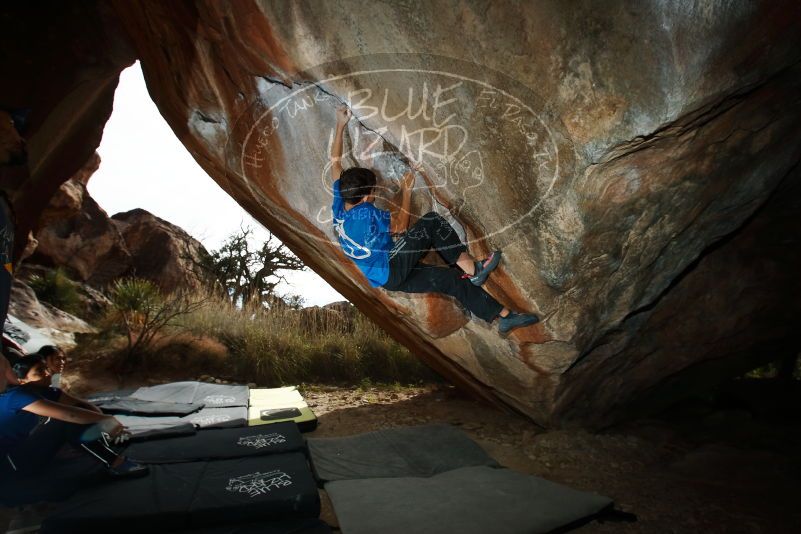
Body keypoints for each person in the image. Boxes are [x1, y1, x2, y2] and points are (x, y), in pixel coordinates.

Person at [329, 105, 540, 334]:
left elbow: (335, 164)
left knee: (451, 281)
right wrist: (407, 189)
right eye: (373, 191)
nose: (374, 193)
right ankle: (474, 269)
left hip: (388, 279)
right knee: (431, 222)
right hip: (392, 265)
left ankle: (505, 317)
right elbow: (400, 226)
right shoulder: (365, 213)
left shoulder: (341, 204)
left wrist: (340, 125)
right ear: (365, 197)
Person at [0, 354, 148, 478]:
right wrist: (106, 420)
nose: (47, 373)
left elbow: (84, 407)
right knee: (66, 421)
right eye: (39, 371)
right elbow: (69, 415)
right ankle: (116, 464)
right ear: (20, 378)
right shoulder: (14, 396)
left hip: (26, 454)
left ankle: (105, 446)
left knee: (81, 415)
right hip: (12, 465)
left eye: (46, 368)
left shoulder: (47, 392)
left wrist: (102, 426)